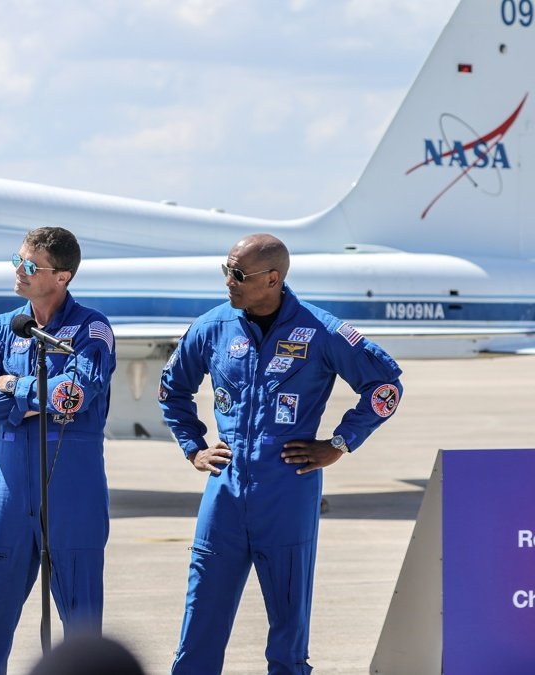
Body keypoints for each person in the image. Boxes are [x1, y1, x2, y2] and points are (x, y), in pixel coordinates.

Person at [159, 233, 403, 674]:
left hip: (288, 493)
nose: (228, 282)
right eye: (226, 271)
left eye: (238, 274)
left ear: (272, 279)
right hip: (225, 495)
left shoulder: (322, 331)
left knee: (288, 630)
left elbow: (385, 387)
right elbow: (172, 389)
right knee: (200, 622)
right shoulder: (213, 326)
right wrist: (194, 447)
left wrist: (339, 443)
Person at [0, 227, 117, 674]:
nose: (19, 270)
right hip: (8, 493)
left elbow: (74, 396)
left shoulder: (92, 328)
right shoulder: (2, 328)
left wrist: (12, 386)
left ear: (62, 276)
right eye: (19, 259)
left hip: (72, 490)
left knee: (81, 619)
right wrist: (35, 399)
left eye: (32, 265)